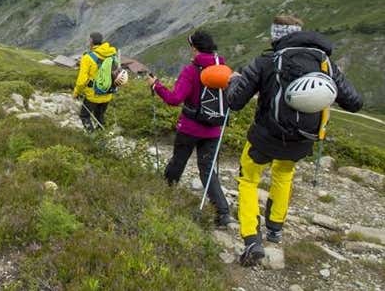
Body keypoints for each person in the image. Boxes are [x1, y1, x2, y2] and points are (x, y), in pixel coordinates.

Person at [227, 15, 363, 266]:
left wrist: (233, 79)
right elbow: (354, 102)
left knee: (248, 180)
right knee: (283, 174)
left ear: (275, 35)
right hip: (301, 140)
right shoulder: (325, 63)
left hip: (264, 138)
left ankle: (251, 240)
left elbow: (235, 101)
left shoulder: (266, 61)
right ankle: (275, 230)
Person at [146, 30, 232, 227]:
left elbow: (174, 99)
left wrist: (156, 86)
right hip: (214, 129)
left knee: (178, 161)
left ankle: (164, 195)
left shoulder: (191, 71)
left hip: (190, 127)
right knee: (208, 170)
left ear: (194, 48)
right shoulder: (224, 69)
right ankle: (223, 213)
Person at [73, 32, 118, 132]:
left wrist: (76, 92)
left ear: (91, 41)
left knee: (84, 116)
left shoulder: (87, 58)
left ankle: (93, 137)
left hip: (93, 95)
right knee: (100, 117)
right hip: (107, 93)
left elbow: (81, 81)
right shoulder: (112, 55)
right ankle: (102, 138)